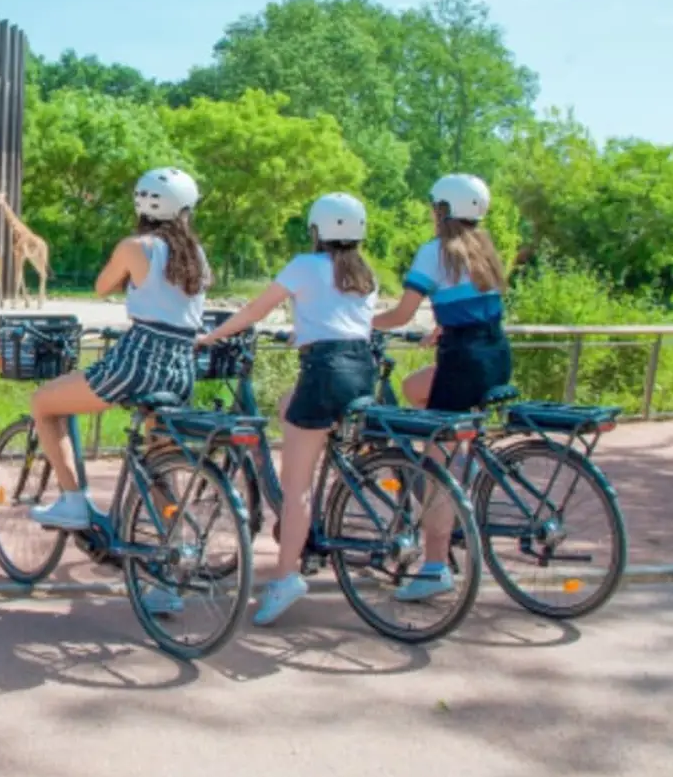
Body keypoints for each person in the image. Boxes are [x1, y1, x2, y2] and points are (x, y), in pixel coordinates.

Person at [28, 167, 211, 614]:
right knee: (158, 467)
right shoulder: (198, 255)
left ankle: (73, 501)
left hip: (138, 359)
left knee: (44, 403)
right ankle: (170, 577)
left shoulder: (136, 246)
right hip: (181, 366)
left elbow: (102, 286)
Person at [197, 193, 378, 625]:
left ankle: (285, 578)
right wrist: (306, 332)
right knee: (287, 406)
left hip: (322, 371)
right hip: (360, 368)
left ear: (316, 231)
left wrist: (210, 336)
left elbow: (255, 310)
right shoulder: (365, 275)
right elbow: (343, 323)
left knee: (298, 486)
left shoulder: (304, 265)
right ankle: (313, 522)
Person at [372, 172, 512, 601]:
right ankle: (458, 483)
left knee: (434, 467)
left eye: (435, 206)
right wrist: (442, 326)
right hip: (496, 355)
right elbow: (471, 304)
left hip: (462, 363)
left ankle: (434, 568)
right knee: (416, 389)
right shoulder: (483, 249)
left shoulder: (435, 252)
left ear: (444, 210)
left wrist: (359, 323)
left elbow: (400, 314)